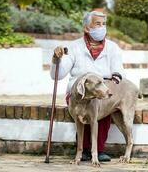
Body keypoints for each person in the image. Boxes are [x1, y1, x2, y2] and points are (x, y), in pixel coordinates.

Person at [50, 10, 124, 162]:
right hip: (79, 91)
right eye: (97, 24)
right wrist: (56, 59)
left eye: (104, 24)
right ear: (86, 28)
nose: (102, 27)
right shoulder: (74, 47)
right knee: (81, 108)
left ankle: (98, 149)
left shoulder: (112, 47)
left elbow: (118, 72)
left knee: (101, 103)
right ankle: (82, 150)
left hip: (101, 88)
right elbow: (57, 75)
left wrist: (108, 85)